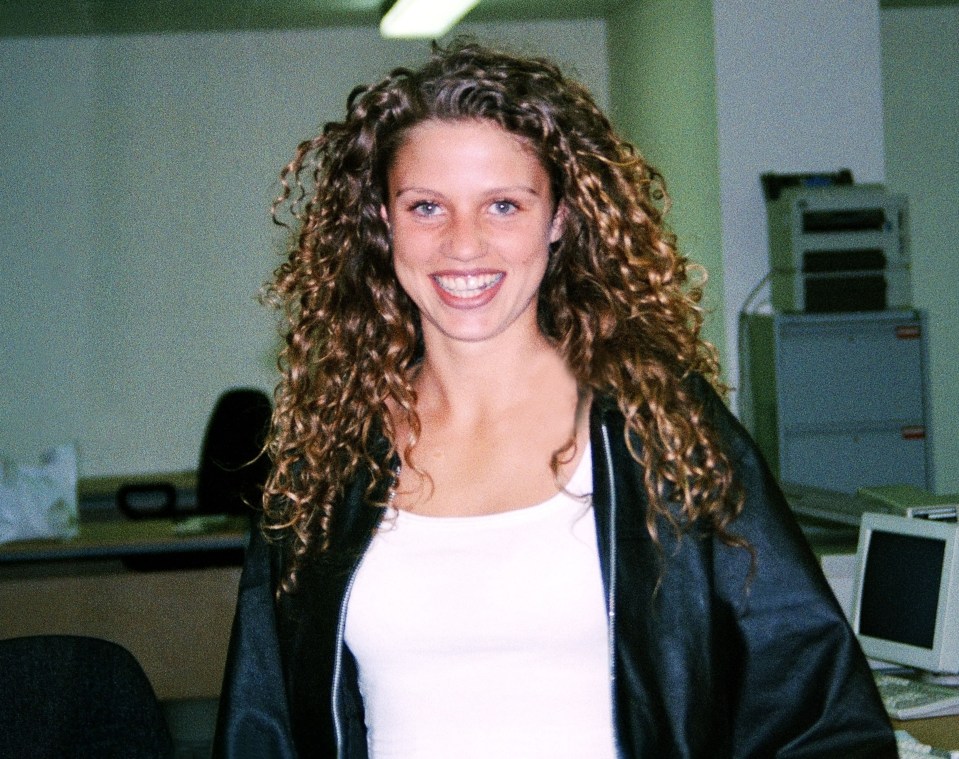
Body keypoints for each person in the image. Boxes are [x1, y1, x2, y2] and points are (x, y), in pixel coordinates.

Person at [213, 39, 896, 758]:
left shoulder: (657, 428)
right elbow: (265, 728)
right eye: (426, 206)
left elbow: (819, 713)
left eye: (503, 205)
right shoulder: (326, 461)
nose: (463, 244)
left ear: (560, 218)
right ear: (383, 224)